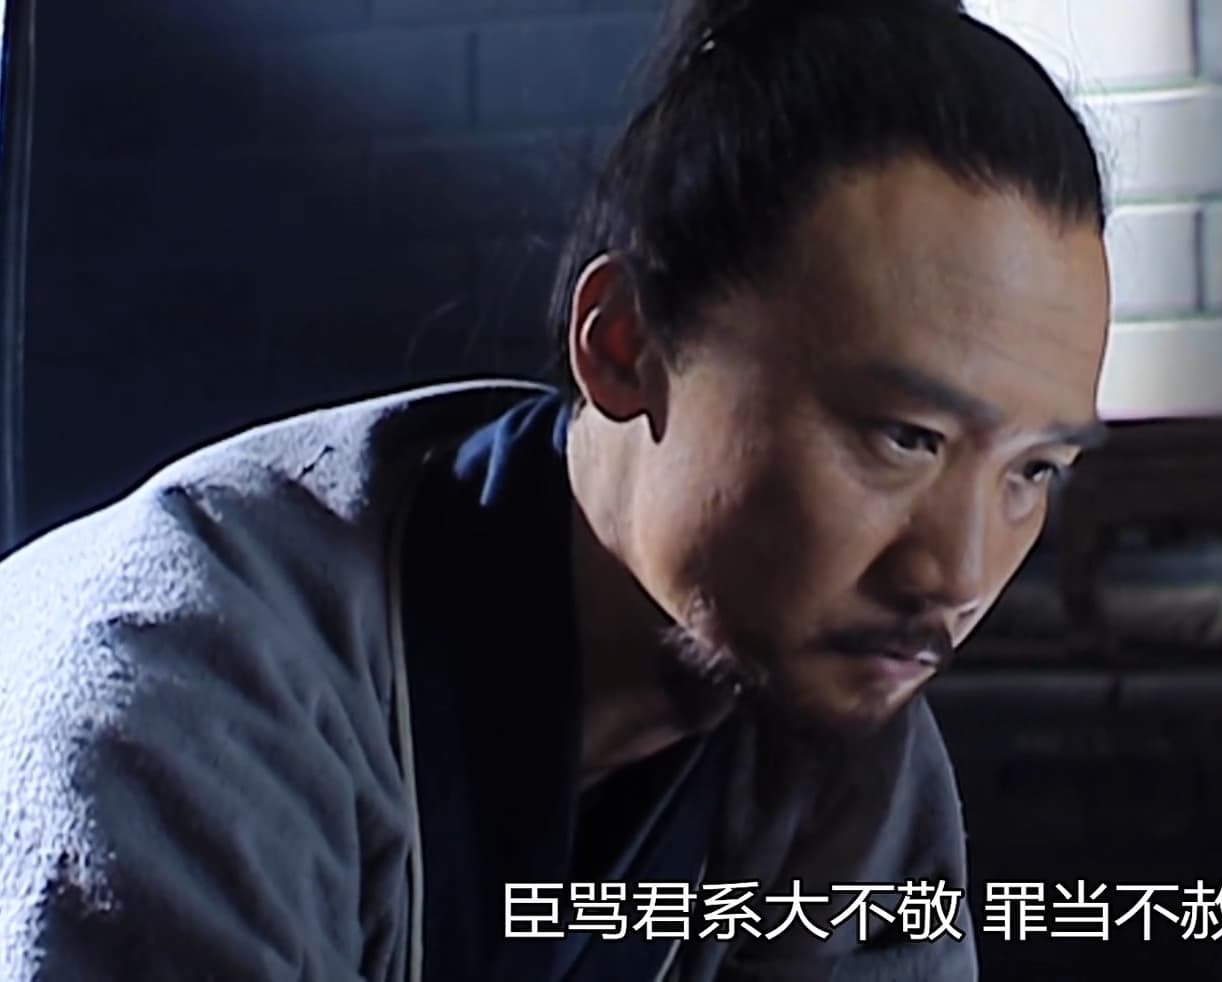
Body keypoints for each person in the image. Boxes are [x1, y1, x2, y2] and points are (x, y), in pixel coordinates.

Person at [0, 0, 1111, 977]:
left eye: (1034, 471)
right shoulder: (194, 699)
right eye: (904, 438)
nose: (959, 573)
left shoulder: (842, 757)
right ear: (624, 345)